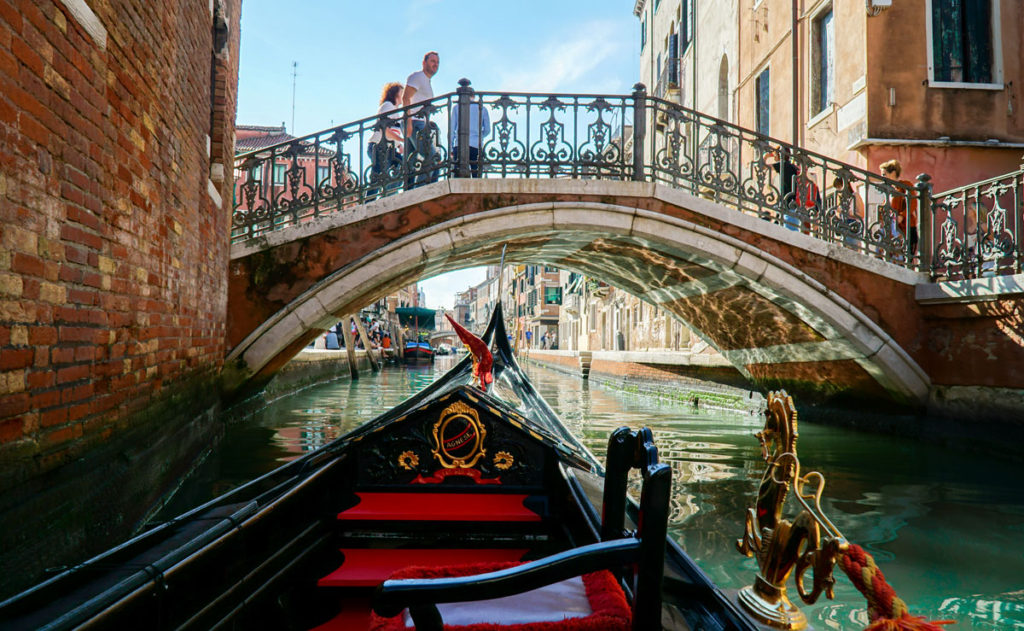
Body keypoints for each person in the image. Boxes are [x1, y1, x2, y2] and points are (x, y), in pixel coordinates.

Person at [403, 51, 440, 188]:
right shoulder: (417, 77)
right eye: (432, 61)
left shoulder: (426, 81)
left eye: (437, 62)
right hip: (415, 122)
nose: (435, 64)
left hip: (420, 123)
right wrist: (408, 122)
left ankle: (411, 191)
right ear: (424, 63)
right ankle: (422, 190)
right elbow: (405, 98)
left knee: (412, 162)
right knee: (432, 158)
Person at [367, 82, 404, 198]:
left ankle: (389, 193)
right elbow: (385, 129)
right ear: (395, 93)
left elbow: (393, 132)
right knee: (378, 174)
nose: (404, 94)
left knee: (403, 164)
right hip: (378, 146)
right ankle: (371, 201)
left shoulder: (395, 111)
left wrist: (398, 145)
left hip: (388, 148)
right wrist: (402, 140)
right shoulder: (388, 106)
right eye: (401, 91)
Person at [880, 159, 918, 260]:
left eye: (884, 174)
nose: (882, 177)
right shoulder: (889, 190)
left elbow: (913, 203)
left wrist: (902, 215)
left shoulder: (905, 185)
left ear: (893, 173)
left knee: (907, 258)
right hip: (893, 230)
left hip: (906, 227)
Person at [450, 98, 490, 178]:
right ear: (474, 96)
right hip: (476, 145)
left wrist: (451, 148)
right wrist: (479, 136)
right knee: (476, 175)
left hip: (459, 145)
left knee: (458, 176)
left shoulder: (456, 107)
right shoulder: (482, 108)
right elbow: (487, 130)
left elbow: (451, 129)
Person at [828, 176, 864, 249]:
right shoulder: (841, 199)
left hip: (853, 227)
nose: (838, 190)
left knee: (852, 251)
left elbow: (861, 214)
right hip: (843, 229)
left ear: (846, 185)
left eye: (839, 186)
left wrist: (847, 212)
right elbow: (839, 215)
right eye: (836, 187)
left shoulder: (855, 196)